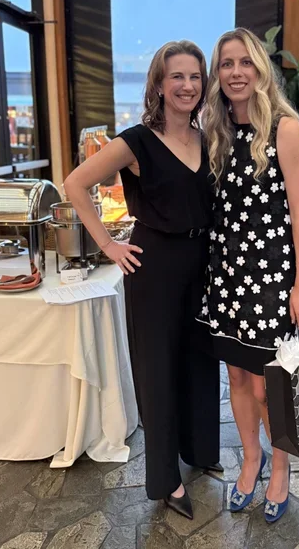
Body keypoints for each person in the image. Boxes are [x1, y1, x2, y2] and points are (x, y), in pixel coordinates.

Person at [64, 40, 221, 520]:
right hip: (154, 266)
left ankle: (200, 450)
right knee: (158, 371)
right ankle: (167, 479)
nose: (187, 86)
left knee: (199, 361)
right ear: (158, 84)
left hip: (202, 263)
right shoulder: (136, 141)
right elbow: (74, 183)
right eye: (177, 76)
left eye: (194, 77)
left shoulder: (206, 138)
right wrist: (108, 246)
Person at [197, 28, 299, 523]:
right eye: (227, 64)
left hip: (272, 279)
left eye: (245, 62)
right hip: (226, 275)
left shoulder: (285, 129)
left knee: (271, 386)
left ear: (260, 69)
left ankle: (280, 468)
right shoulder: (215, 132)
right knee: (238, 377)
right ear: (217, 74)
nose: (236, 72)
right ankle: (251, 459)